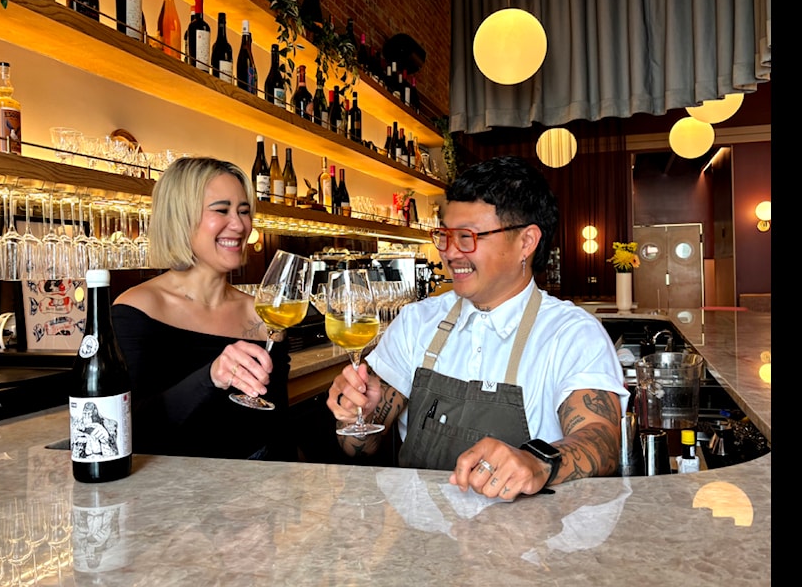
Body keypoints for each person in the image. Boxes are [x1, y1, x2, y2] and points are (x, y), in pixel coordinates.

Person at [327, 156, 628, 500]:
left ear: (526, 242)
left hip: (527, 533)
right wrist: (354, 414)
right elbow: (358, 448)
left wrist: (537, 462)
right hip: (418, 533)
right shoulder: (415, 323)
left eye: (467, 237)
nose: (450, 253)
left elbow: (601, 442)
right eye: (445, 235)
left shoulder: (571, 333)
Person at [112, 156, 294, 461]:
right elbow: (127, 428)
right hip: (174, 488)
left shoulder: (262, 315)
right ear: (180, 218)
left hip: (259, 486)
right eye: (222, 210)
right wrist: (209, 378)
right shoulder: (136, 310)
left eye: (244, 211)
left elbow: (277, 428)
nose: (239, 225)